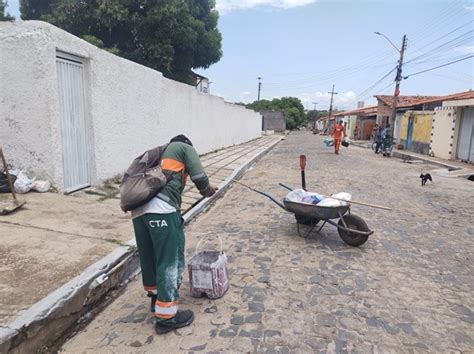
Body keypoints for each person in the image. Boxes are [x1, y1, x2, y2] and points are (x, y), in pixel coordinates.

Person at [131, 134, 217, 334]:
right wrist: (207, 191)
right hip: (161, 209)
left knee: (150, 257)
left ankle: (156, 299)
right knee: (169, 260)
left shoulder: (157, 152)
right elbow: (199, 177)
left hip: (138, 211)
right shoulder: (184, 148)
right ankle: (167, 317)